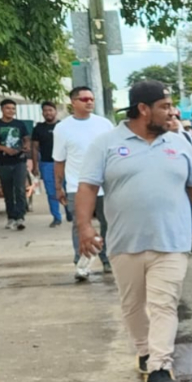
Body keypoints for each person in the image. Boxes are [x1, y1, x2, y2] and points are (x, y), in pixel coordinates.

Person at [74, 81, 192, 382]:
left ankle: (159, 366)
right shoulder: (107, 143)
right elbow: (87, 187)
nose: (171, 112)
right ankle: (145, 350)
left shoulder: (180, 143)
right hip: (125, 242)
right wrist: (85, 227)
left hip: (173, 241)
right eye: (164, 106)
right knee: (133, 304)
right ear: (143, 109)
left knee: (165, 304)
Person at [54, 86, 115, 280]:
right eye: (84, 99)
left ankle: (107, 259)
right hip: (77, 187)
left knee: (109, 223)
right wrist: (58, 187)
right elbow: (59, 160)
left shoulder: (104, 124)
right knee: (80, 225)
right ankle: (81, 263)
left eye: (91, 99)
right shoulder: (63, 128)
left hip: (105, 186)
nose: (89, 102)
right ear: (73, 102)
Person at [0, 98, 32, 230]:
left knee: (20, 189)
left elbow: (27, 139)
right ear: (2, 109)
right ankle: (11, 217)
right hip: (3, 162)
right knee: (8, 191)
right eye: (8, 108)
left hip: (19, 161)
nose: (11, 111)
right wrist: (4, 149)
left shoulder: (20, 124)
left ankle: (20, 217)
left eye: (13, 108)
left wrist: (26, 146)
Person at [32, 101, 64, 227]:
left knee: (68, 189)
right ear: (42, 113)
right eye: (45, 110)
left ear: (55, 111)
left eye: (50, 110)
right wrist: (35, 166)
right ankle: (56, 217)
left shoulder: (63, 126)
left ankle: (71, 213)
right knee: (51, 192)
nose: (48, 113)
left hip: (64, 163)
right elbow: (34, 148)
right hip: (47, 164)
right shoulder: (38, 128)